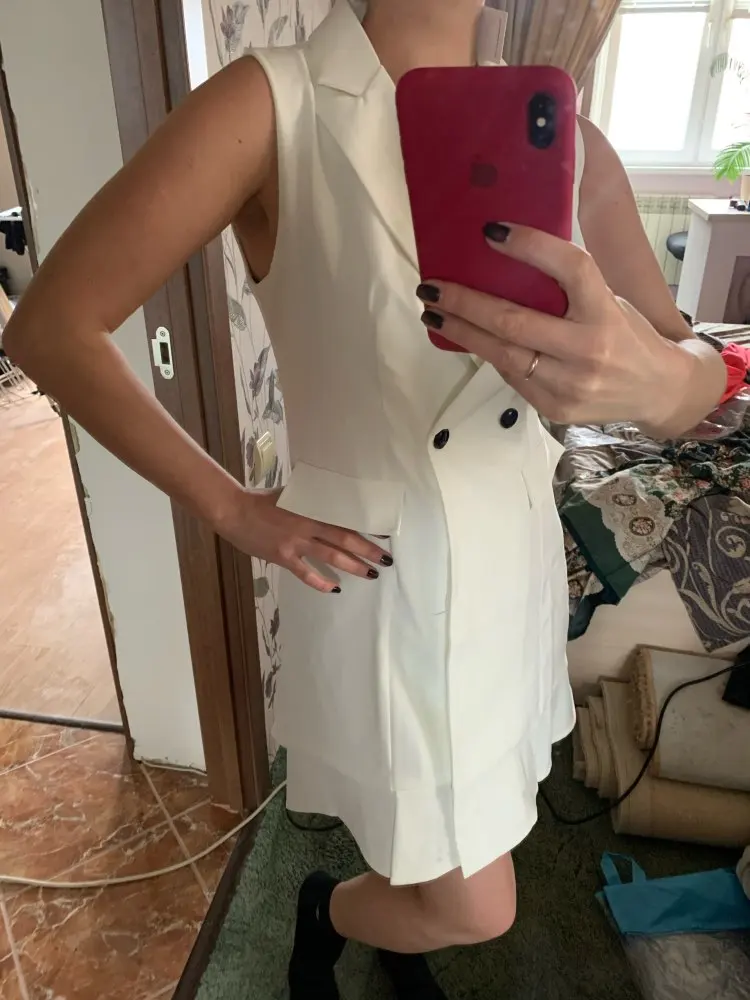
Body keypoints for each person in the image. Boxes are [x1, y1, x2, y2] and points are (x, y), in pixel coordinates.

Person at [4, 0, 726, 997]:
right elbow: (50, 329)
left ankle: (397, 925)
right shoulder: (270, 105)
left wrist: (662, 381)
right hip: (387, 576)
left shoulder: (566, 141)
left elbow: (692, 367)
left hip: (514, 559)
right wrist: (231, 508)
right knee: (480, 903)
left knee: (447, 829)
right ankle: (329, 908)